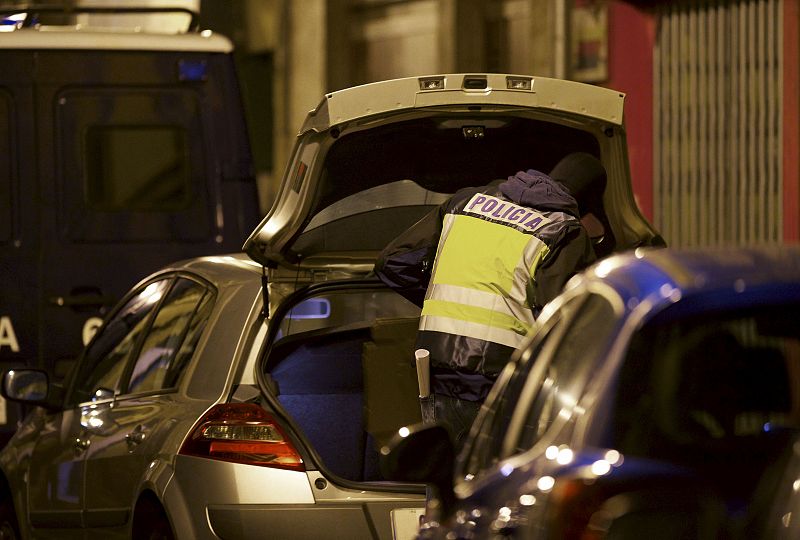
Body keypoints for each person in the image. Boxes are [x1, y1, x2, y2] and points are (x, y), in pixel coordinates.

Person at [374, 152, 606, 452]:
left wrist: (441, 298)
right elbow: (563, 322)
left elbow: (392, 263)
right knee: (496, 487)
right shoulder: (563, 230)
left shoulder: (465, 202)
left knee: (442, 474)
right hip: (502, 378)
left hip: (437, 366)